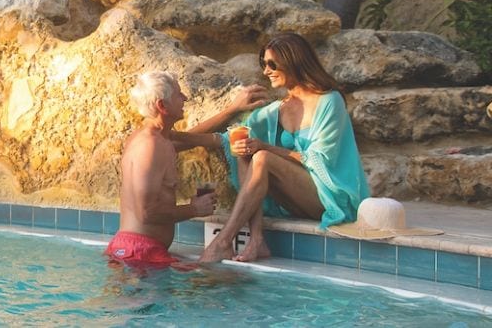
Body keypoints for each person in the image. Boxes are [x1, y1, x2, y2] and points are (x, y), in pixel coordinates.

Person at [195, 33, 371, 263]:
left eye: (272, 64)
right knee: (243, 152)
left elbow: (320, 160)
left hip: (328, 195)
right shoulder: (277, 109)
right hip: (295, 198)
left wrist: (264, 147)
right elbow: (222, 139)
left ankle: (223, 242)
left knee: (262, 157)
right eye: (263, 64)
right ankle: (257, 239)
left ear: (293, 61)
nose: (266, 71)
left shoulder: (329, 101)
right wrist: (230, 111)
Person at [106, 71, 265, 268]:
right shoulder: (151, 146)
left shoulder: (154, 139)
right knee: (221, 282)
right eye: (178, 95)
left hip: (136, 250)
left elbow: (191, 137)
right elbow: (145, 213)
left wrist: (232, 110)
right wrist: (194, 209)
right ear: (162, 106)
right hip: (141, 254)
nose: (185, 98)